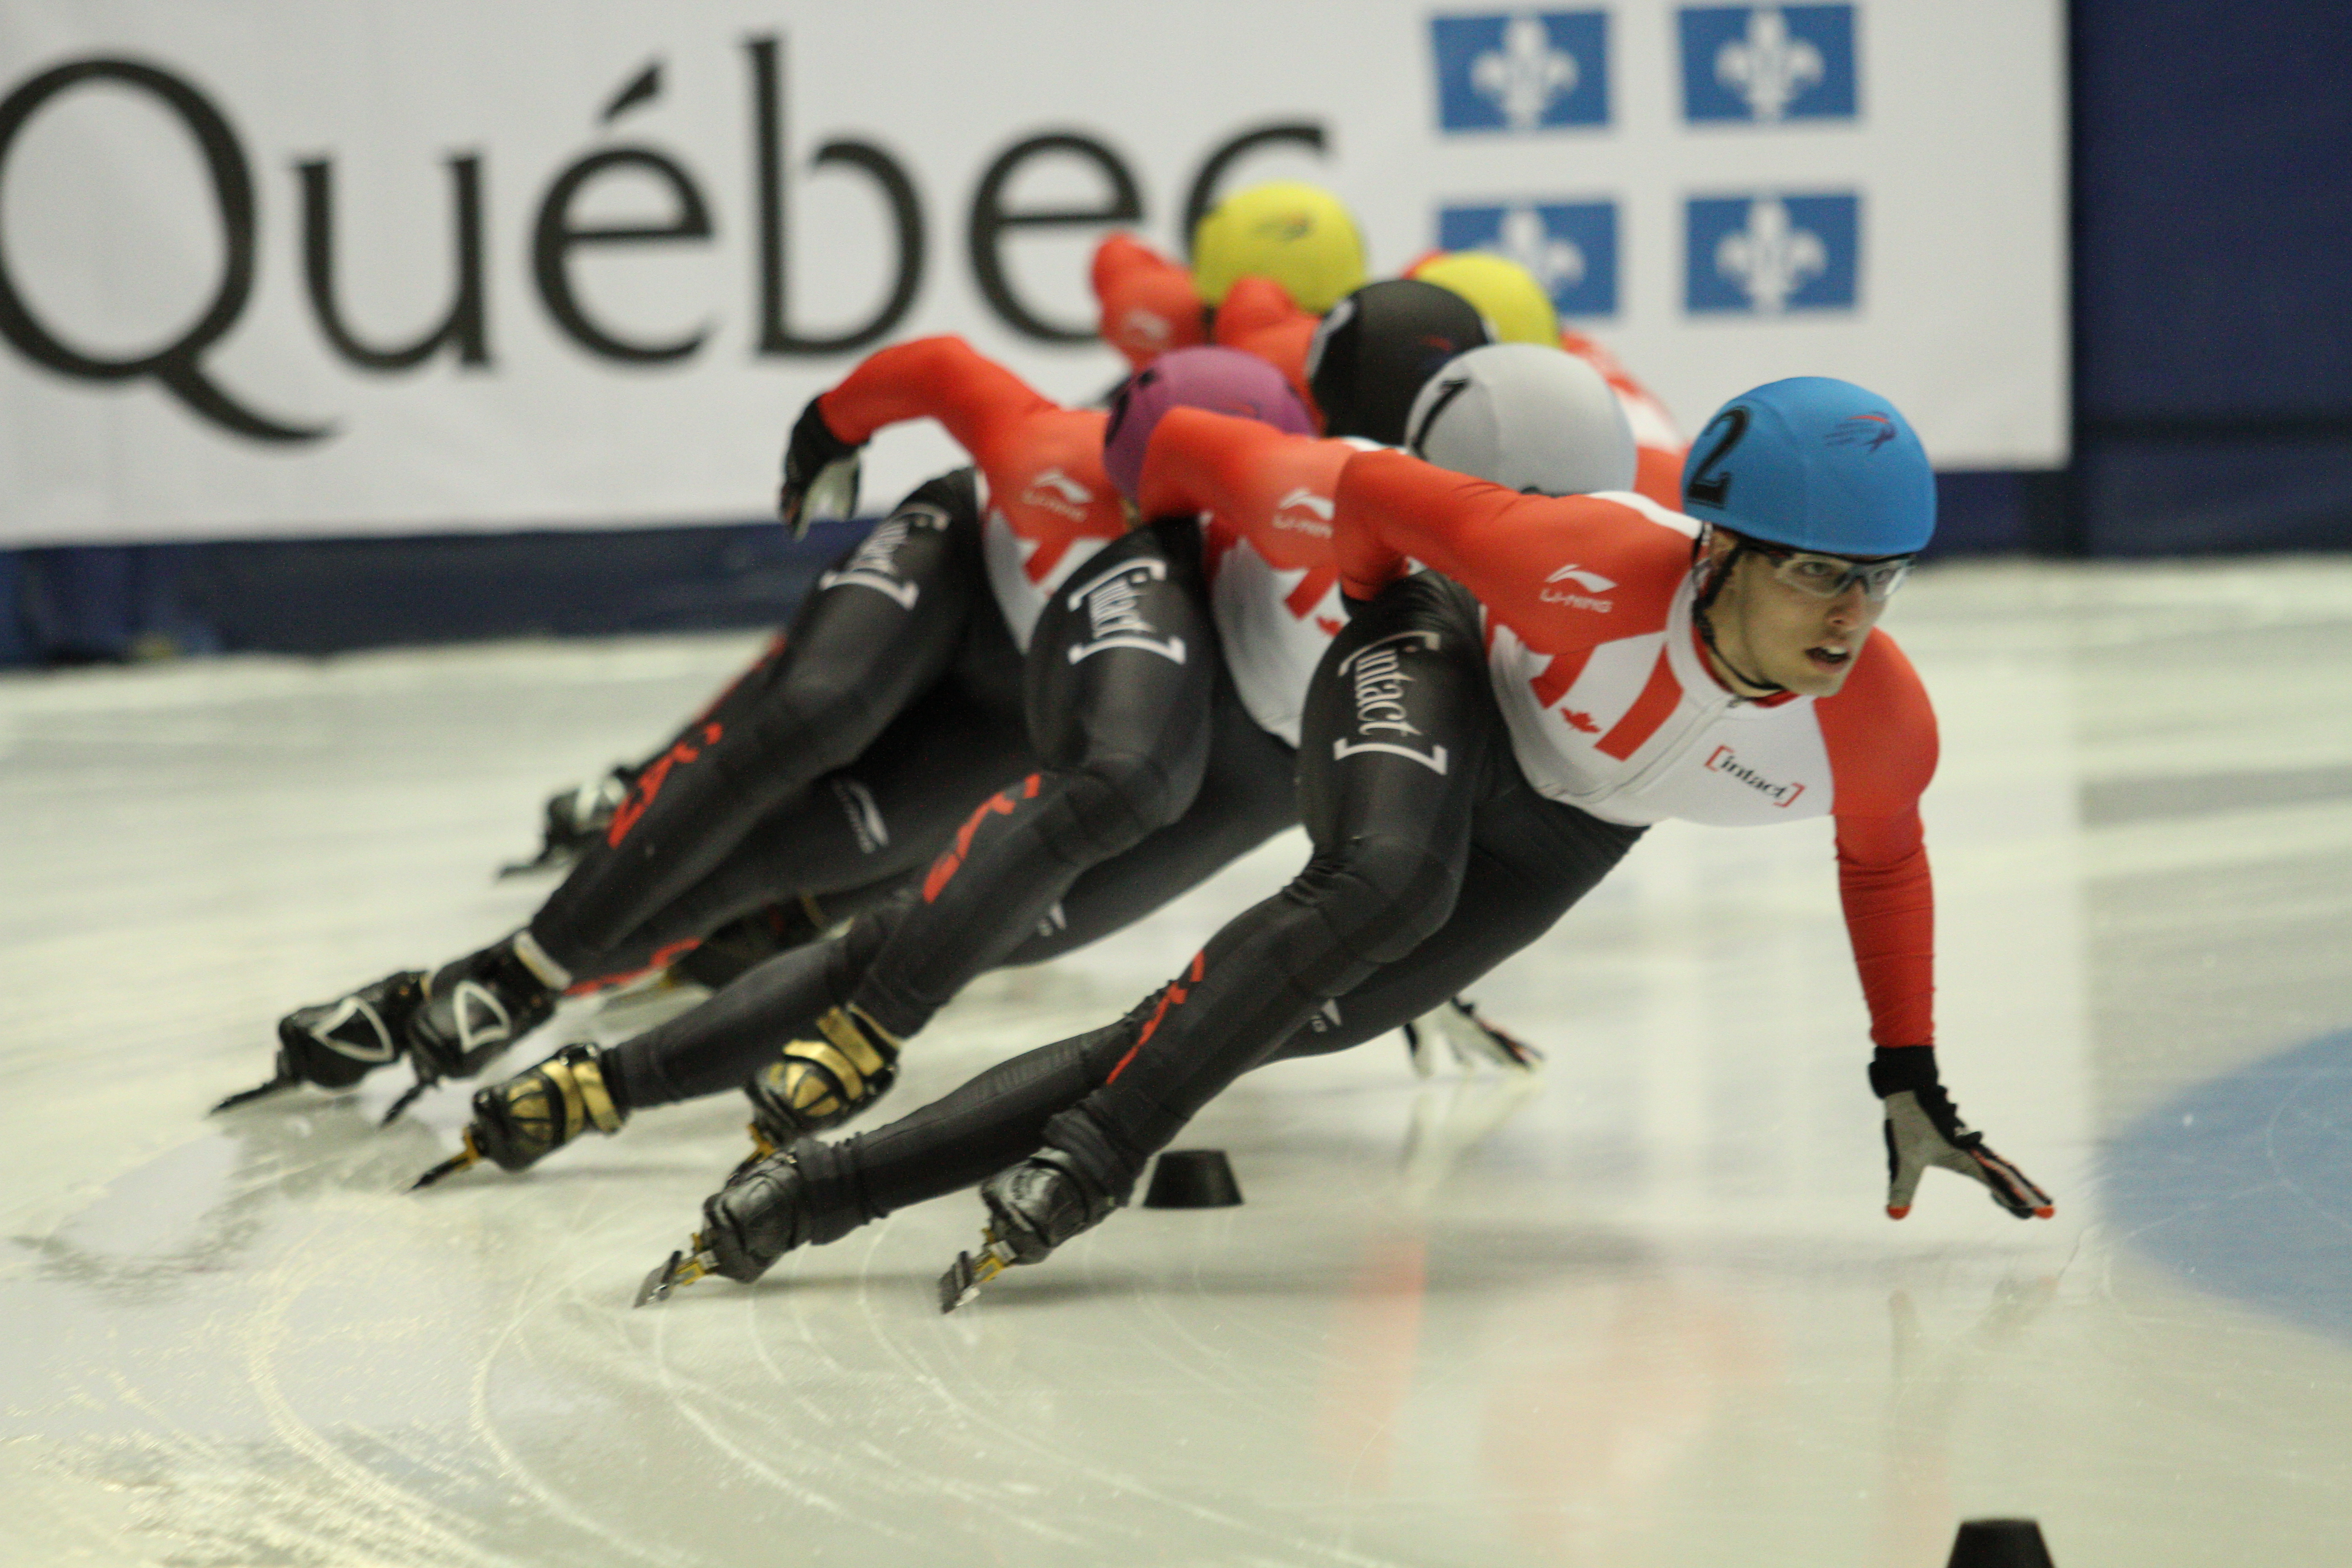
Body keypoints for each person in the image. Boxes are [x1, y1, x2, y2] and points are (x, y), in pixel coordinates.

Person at [649, 375, 2054, 1308]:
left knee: (1259, 1022)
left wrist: (1910, 1074)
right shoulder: (1568, 563)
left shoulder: (1877, 725)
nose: (1850, 616)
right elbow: (1367, 493)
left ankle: (817, 1191)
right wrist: (1372, 618)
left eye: (1878, 583)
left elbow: (1882, 863)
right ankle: (1092, 1165)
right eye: (1816, 572)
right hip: (1438, 652)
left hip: (1569, 829)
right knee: (1383, 878)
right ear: (1719, 549)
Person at [426, 340, 1620, 1189]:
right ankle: (640, 1010)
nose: (1534, 581)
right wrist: (1144, 532)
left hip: (1256, 762)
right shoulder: (1325, 492)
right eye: (1514, 537)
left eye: (1566, 553)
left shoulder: (1585, 611)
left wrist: (1432, 978)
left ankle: (608, 1079)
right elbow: (1179, 447)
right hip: (1176, 636)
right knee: (1037, 823)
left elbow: (1399, 826)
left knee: (966, 928)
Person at [231, 339, 1304, 1128]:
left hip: (1011, 699)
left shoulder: (1242, 568)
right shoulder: (1041, 448)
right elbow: (936, 370)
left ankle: (486, 980)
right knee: (811, 717)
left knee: (792, 860)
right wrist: (825, 433)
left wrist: (833, 432)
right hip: (957, 565)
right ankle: (527, 967)